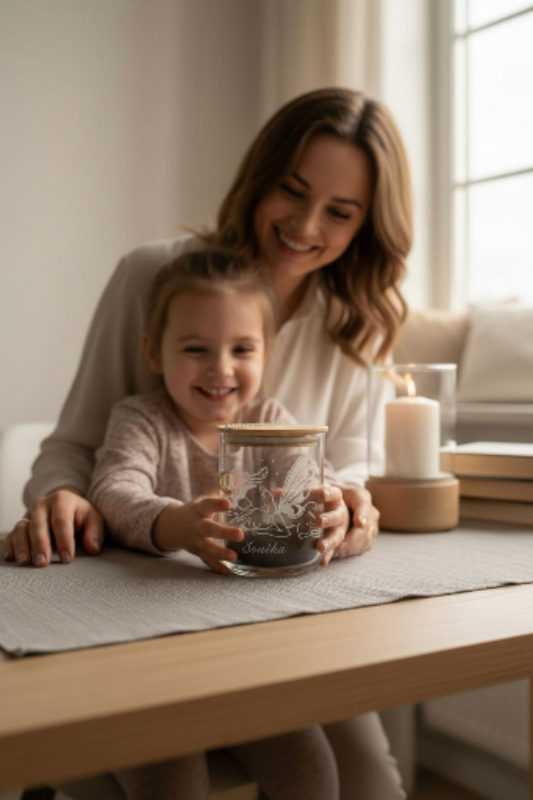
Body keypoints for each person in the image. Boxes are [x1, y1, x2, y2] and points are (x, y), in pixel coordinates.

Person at [4, 87, 411, 799]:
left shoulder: (352, 323)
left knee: (366, 779)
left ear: (365, 226)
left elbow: (351, 468)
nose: (305, 224)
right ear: (260, 177)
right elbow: (75, 447)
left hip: (273, 619)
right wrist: (62, 496)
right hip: (138, 611)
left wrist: (349, 505)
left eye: (340, 212)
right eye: (292, 190)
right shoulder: (154, 277)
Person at [89, 247, 344, 800]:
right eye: (196, 348)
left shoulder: (271, 423)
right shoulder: (141, 419)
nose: (220, 368)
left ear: (267, 353)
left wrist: (336, 505)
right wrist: (176, 523)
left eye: (242, 349)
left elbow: (320, 479)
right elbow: (112, 490)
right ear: (154, 353)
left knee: (311, 769)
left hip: (252, 659)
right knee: (173, 783)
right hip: (148, 664)